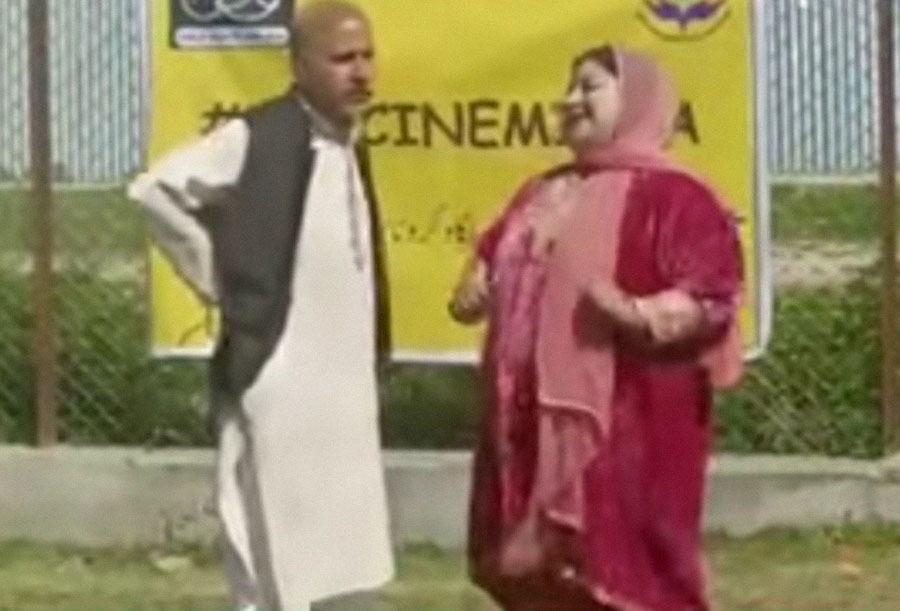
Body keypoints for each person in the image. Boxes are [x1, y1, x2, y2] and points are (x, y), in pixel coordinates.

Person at [451, 46, 745, 611]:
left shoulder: (679, 196)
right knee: (537, 578)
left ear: (636, 100)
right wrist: (476, 285)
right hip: (525, 424)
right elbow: (493, 255)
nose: (570, 102)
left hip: (630, 427)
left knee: (626, 580)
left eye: (588, 87)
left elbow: (714, 294)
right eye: (568, 89)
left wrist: (637, 313)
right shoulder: (542, 190)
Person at [128, 2, 393, 609]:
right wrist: (221, 279)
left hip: (340, 386)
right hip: (280, 371)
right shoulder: (259, 135)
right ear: (299, 65)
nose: (360, 73)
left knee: (340, 553)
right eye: (343, 59)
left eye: (367, 57)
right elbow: (156, 192)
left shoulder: (347, 143)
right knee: (272, 551)